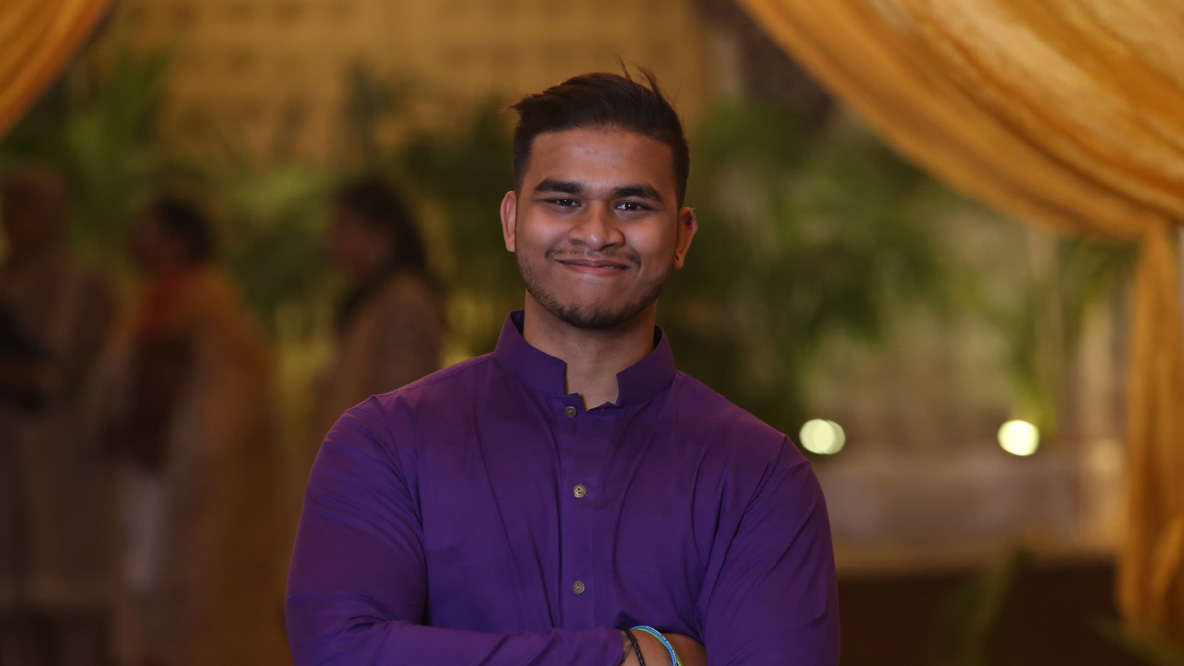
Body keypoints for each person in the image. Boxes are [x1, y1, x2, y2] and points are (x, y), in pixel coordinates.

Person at [286, 71, 839, 665]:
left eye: (631, 204)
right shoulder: (384, 445)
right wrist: (627, 656)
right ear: (511, 221)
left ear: (681, 236)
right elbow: (337, 651)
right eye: (563, 200)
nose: (596, 232)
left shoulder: (760, 477)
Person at [107, 198, 285, 666]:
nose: (137, 244)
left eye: (150, 233)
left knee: (201, 607)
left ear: (179, 243)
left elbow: (228, 405)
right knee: (147, 611)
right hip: (149, 480)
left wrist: (186, 455)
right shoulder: (144, 301)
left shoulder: (213, 303)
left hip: (197, 487)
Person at [0, 166, 118, 666]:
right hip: (7, 468)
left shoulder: (84, 283)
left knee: (71, 614)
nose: (18, 215)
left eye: (30, 202)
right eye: (11, 201)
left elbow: (81, 369)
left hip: (65, 464)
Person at [317, 177, 446, 440]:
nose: (334, 244)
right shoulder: (377, 299)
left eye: (346, 227)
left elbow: (401, 410)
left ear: (383, 234)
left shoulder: (404, 300)